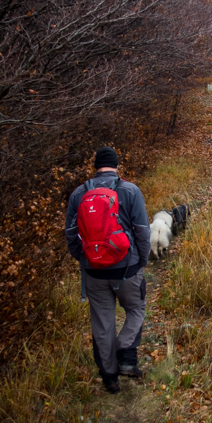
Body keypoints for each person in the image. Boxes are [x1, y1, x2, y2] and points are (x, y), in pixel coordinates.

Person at [65, 147, 151, 393]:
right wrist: (141, 260)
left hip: (94, 271)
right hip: (128, 268)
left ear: (96, 166)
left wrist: (83, 259)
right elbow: (142, 231)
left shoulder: (79, 194)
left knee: (103, 324)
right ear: (116, 165)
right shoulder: (130, 190)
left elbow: (71, 234)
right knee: (135, 308)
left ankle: (110, 378)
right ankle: (126, 354)